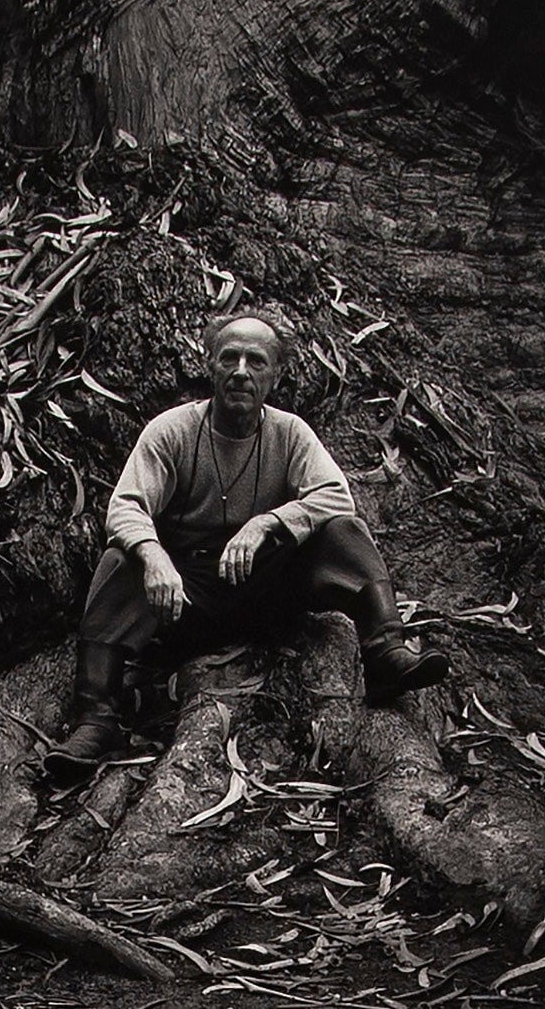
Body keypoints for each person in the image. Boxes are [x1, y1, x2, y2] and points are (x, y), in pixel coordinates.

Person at [44, 311, 449, 782]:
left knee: (344, 530)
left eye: (255, 361)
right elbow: (125, 506)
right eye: (229, 358)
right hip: (186, 603)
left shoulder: (289, 433)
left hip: (266, 594)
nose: (240, 371)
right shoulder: (171, 431)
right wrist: (154, 559)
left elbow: (336, 496)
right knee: (121, 559)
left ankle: (385, 653)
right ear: (210, 366)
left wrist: (267, 524)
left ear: (275, 375)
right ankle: (97, 719)